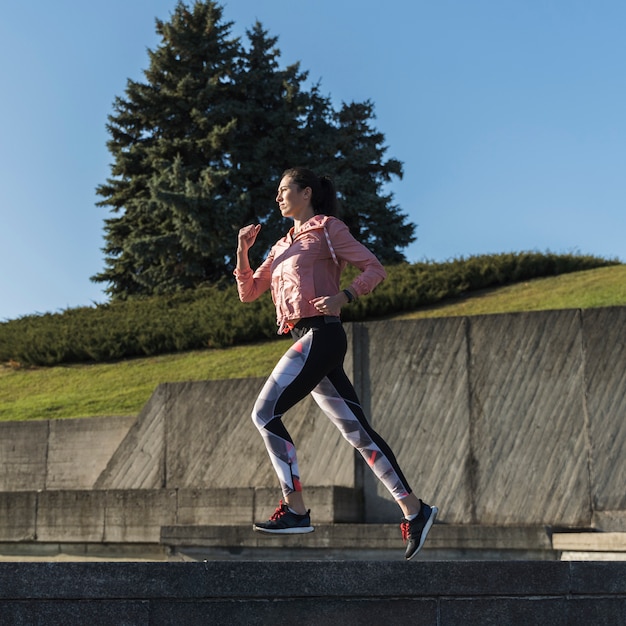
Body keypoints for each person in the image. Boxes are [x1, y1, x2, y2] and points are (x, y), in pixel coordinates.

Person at [234, 166, 437, 560]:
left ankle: (295, 509)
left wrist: (345, 296)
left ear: (306, 193)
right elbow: (249, 292)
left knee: (264, 414)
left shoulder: (328, 230)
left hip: (322, 334)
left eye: (283, 190)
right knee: (358, 433)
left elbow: (374, 268)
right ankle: (415, 510)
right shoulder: (279, 247)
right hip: (304, 339)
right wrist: (242, 251)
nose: (277, 197)